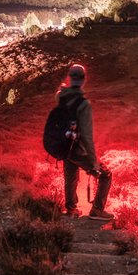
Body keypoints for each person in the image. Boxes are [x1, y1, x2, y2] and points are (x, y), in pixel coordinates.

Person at [56, 63, 112, 218]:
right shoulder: (81, 101)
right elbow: (85, 132)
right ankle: (97, 210)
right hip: (79, 148)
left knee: (71, 177)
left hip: (65, 146)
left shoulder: (62, 96)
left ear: (69, 77)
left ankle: (71, 210)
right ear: (84, 79)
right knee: (105, 175)